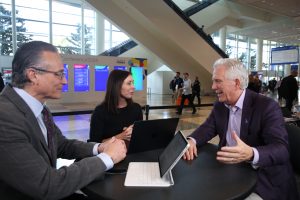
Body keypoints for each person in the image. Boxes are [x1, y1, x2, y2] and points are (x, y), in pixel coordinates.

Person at [0, 41, 127, 200]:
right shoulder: (5, 117)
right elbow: (47, 184)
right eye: (59, 74)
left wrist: (99, 148)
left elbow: (61, 144)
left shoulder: (40, 108)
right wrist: (107, 158)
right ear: (33, 75)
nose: (65, 81)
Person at [183, 58, 299, 200]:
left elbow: (282, 150)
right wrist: (192, 140)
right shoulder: (221, 104)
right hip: (230, 172)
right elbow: (208, 127)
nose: (213, 87)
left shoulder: (266, 106)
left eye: (218, 81)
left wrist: (251, 153)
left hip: (264, 180)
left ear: (236, 83)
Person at [89, 70, 143, 144]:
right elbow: (94, 144)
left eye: (133, 83)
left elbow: (140, 138)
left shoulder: (136, 108)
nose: (133, 87)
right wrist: (121, 136)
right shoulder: (100, 112)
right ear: (117, 85)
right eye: (129, 83)